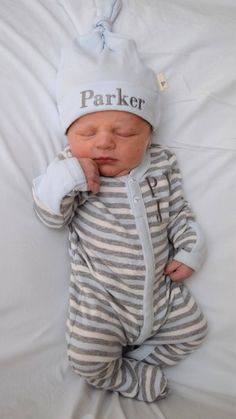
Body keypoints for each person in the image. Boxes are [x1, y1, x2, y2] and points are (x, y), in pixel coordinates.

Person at [32, 0, 207, 402]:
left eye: (125, 132)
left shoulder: (161, 163)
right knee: (87, 357)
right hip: (102, 301)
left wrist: (191, 249)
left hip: (161, 295)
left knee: (195, 331)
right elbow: (49, 214)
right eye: (87, 131)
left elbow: (181, 213)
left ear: (148, 135)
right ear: (68, 134)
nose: (105, 142)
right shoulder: (70, 168)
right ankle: (128, 378)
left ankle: (140, 356)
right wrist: (69, 177)